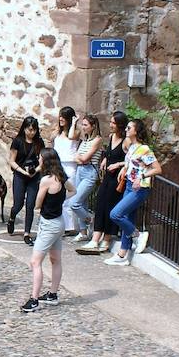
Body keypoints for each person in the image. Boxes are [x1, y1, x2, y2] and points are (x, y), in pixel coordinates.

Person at [20, 148, 75, 313]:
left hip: (49, 225)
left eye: (40, 158)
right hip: (59, 223)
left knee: (35, 262)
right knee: (55, 260)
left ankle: (34, 299)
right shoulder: (61, 177)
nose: (39, 160)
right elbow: (73, 190)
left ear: (46, 161)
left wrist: (46, 202)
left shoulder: (46, 180)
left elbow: (37, 204)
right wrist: (59, 201)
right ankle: (53, 294)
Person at [106, 118, 162, 266]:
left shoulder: (145, 149)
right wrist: (123, 168)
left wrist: (142, 176)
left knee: (115, 214)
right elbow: (131, 162)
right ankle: (122, 254)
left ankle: (138, 235)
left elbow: (157, 169)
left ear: (136, 131)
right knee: (127, 218)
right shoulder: (132, 147)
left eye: (129, 128)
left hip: (140, 188)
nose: (126, 130)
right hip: (130, 185)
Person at [80, 112, 128, 255]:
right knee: (100, 204)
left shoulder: (126, 141)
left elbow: (132, 159)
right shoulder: (111, 137)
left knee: (110, 207)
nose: (111, 125)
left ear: (120, 125)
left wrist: (118, 164)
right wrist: (106, 160)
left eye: (113, 123)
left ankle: (107, 238)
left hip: (117, 179)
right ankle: (95, 238)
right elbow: (109, 153)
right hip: (107, 176)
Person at [7, 116, 45, 245]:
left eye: (34, 130)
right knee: (18, 204)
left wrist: (36, 170)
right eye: (29, 129)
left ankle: (27, 233)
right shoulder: (18, 141)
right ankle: (12, 217)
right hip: (20, 175)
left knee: (30, 205)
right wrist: (23, 172)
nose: (31, 132)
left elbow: (42, 161)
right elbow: (11, 160)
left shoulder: (39, 142)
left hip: (34, 177)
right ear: (24, 129)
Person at [67, 114, 103, 238]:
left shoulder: (97, 140)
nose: (83, 127)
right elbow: (71, 137)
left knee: (74, 203)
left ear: (93, 126)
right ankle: (83, 232)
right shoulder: (85, 139)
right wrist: (74, 122)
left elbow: (85, 158)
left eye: (85, 125)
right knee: (82, 202)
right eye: (82, 124)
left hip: (89, 172)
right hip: (80, 170)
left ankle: (91, 219)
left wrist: (78, 158)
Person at [52, 106, 78, 231]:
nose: (61, 119)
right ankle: (59, 223)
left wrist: (74, 123)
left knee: (68, 196)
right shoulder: (58, 132)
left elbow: (72, 136)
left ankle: (70, 226)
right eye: (60, 116)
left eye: (64, 117)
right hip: (58, 165)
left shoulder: (75, 132)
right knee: (56, 194)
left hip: (70, 165)